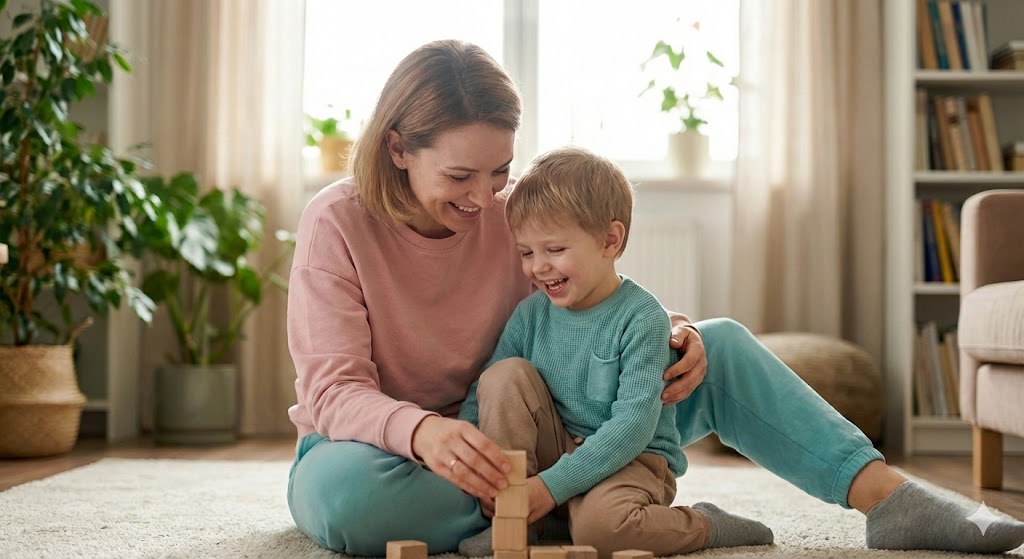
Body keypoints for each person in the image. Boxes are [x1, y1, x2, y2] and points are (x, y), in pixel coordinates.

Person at [285, 39, 1024, 556]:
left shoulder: (509, 214)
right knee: (355, 504)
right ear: (397, 148)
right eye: (459, 178)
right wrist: (426, 434)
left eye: (500, 172)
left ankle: (888, 501)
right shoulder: (337, 222)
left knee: (721, 340)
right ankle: (580, 513)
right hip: (398, 451)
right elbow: (334, 391)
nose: (485, 198)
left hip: (547, 428)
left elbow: (575, 300)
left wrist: (667, 329)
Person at [455, 146, 774, 557]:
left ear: (610, 240)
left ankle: (706, 524)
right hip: (555, 455)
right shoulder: (530, 314)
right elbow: (486, 392)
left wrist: (551, 487)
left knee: (604, 532)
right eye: (526, 253)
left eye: (554, 250)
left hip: (630, 462)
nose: (537, 267)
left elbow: (633, 427)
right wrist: (469, 456)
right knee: (503, 375)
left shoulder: (642, 318)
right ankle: (519, 520)